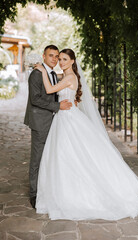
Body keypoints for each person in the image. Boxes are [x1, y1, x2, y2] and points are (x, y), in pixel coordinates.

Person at [34, 48, 138, 221]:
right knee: (65, 155)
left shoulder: (69, 77)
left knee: (69, 153)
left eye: (64, 59)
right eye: (59, 59)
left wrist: (41, 70)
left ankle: (75, 192)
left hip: (67, 119)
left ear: (72, 61)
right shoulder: (68, 77)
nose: (61, 62)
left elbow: (49, 90)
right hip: (66, 117)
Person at [24, 45, 72, 209]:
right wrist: (58, 106)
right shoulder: (36, 75)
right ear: (43, 56)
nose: (54, 59)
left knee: (49, 156)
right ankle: (34, 195)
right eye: (51, 55)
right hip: (40, 122)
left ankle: (47, 189)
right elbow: (35, 99)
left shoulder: (52, 74)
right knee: (37, 159)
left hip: (52, 121)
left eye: (56, 56)